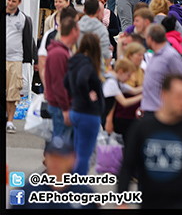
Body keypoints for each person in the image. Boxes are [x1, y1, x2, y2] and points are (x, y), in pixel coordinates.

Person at [118, 74, 182, 209]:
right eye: (179, 96)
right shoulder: (142, 128)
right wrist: (121, 201)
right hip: (150, 202)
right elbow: (127, 166)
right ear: (164, 95)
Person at [15, 136, 99, 209]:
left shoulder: (84, 193)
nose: (56, 164)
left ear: (72, 160)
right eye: (53, 158)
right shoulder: (29, 191)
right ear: (45, 159)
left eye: (61, 159)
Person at [63, 33, 104, 174]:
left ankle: (72, 182)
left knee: (77, 151)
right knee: (84, 154)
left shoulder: (74, 61)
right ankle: (78, 185)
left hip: (76, 109)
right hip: (88, 113)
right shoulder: (87, 63)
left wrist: (76, 96)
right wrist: (87, 97)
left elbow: (66, 82)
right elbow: (81, 80)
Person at [44, 15, 80, 144]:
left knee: (61, 142)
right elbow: (58, 83)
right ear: (73, 31)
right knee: (60, 144)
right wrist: (65, 108)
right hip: (59, 106)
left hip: (61, 105)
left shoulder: (63, 52)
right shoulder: (59, 53)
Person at [140, 24, 182, 116]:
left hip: (160, 110)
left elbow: (180, 81)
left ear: (150, 38)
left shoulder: (171, 55)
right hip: (149, 108)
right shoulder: (154, 54)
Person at [101, 57, 143, 134]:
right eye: (128, 75)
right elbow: (124, 102)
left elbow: (133, 91)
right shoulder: (111, 83)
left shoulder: (118, 81)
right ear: (120, 72)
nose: (129, 79)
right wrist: (142, 96)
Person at [78, 0, 112, 66]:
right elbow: (106, 53)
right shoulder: (101, 29)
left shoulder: (76, 26)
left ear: (84, 10)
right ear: (97, 11)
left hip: (78, 65)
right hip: (97, 67)